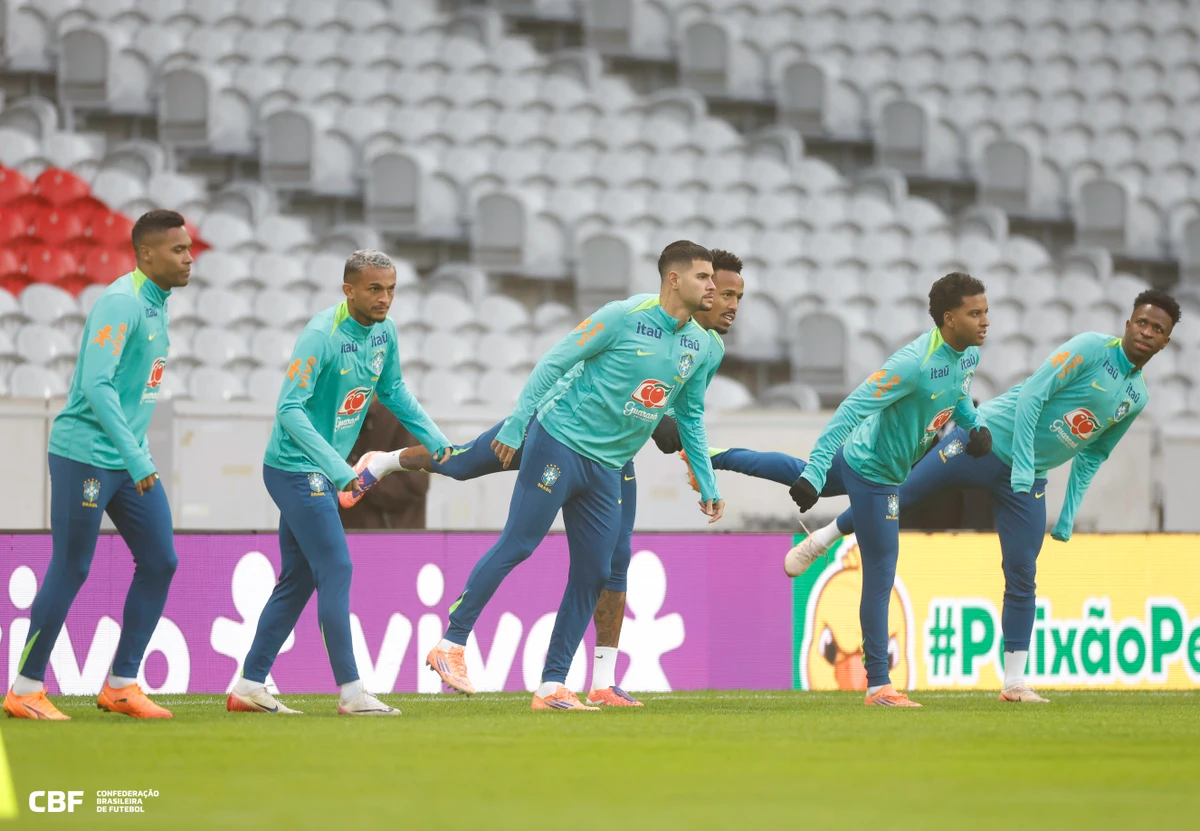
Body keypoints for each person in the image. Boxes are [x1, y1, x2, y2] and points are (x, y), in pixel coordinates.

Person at [346, 251, 744, 706]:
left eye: (720, 283)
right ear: (674, 280)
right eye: (705, 278)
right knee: (516, 537)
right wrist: (518, 424)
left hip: (609, 463)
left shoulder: (703, 346)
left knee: (596, 571)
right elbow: (554, 362)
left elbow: (691, 416)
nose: (714, 289)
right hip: (556, 437)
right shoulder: (622, 317)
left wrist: (709, 482)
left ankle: (554, 684)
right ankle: (450, 644)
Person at [788, 289, 1178, 704]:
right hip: (985, 442)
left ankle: (1013, 683)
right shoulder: (1089, 348)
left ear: (1166, 341)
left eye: (1158, 329)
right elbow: (1032, 396)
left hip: (1029, 478)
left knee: (1023, 571)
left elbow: (1094, 452)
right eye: (1142, 322)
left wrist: (1068, 513)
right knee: (899, 496)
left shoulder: (1136, 398)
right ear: (1128, 323)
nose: (1147, 332)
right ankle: (826, 535)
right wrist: (1025, 462)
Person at [226, 250, 451, 717]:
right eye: (374, 289)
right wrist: (340, 468)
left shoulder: (385, 332)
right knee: (337, 567)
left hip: (320, 470)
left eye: (390, 289)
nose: (385, 298)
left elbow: (392, 391)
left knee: (300, 577)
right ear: (348, 289)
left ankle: (248, 685)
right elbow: (289, 409)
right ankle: (351, 693)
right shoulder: (320, 335)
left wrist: (438, 441)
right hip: (293, 467)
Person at [4, 210, 192, 721]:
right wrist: (136, 455)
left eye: (188, 248)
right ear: (146, 254)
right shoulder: (121, 302)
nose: (189, 257)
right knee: (72, 566)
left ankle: (122, 684)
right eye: (177, 250)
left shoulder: (156, 305)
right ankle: (24, 688)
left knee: (161, 560)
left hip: (129, 458)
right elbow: (96, 385)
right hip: (83, 454)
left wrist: (136, 452)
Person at [780, 272, 991, 707]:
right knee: (880, 575)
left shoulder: (967, 355)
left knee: (788, 470)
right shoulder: (912, 363)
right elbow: (850, 409)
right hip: (876, 473)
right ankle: (878, 685)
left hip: (881, 465)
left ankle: (714, 456)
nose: (985, 321)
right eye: (975, 314)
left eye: (986, 311)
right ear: (949, 319)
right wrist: (817, 472)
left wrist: (975, 426)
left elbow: (959, 397)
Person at [339, 399, 431, 530]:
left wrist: (361, 478)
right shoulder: (339, 414)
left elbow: (415, 484)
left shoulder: (402, 415)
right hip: (348, 535)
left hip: (390, 539)